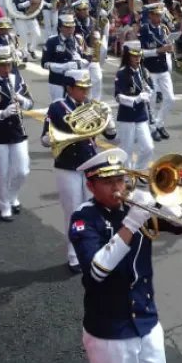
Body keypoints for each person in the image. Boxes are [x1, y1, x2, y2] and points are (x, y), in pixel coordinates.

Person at [69, 148, 182, 363]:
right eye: (108, 182)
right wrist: (131, 224)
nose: (118, 187)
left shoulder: (134, 205)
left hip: (145, 316)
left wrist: (165, 203)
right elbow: (97, 271)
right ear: (90, 185)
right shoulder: (84, 218)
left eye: (120, 179)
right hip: (110, 326)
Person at [41, 70, 117, 273]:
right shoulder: (57, 108)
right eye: (81, 89)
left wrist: (109, 121)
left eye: (87, 88)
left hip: (91, 164)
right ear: (69, 88)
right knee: (74, 211)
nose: (86, 92)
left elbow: (111, 136)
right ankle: (74, 255)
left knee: (94, 210)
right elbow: (45, 140)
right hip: (67, 166)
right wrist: (68, 134)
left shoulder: (92, 107)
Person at [0, 46, 35, 222]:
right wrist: (2, 114)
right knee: (2, 173)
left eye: (9, 64)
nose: (7, 68)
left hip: (17, 131)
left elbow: (30, 104)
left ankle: (12, 196)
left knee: (22, 170)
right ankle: (4, 205)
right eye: (3, 65)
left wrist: (21, 99)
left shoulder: (17, 79)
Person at [114, 41, 155, 171]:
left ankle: (137, 170)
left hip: (141, 115)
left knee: (148, 147)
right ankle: (126, 176)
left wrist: (149, 92)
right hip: (126, 116)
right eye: (134, 56)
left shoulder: (144, 71)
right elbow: (118, 97)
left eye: (139, 56)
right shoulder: (121, 73)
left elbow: (152, 89)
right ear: (128, 57)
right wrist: (136, 99)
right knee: (127, 150)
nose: (138, 59)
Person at [140, 2, 176, 141]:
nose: (159, 17)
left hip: (163, 68)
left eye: (160, 15)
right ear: (150, 15)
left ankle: (159, 123)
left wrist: (169, 48)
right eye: (156, 15)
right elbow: (141, 52)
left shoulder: (163, 29)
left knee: (170, 98)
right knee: (153, 99)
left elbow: (166, 45)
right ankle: (152, 127)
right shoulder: (144, 30)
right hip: (151, 70)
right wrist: (158, 51)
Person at [43, 13, 89, 102]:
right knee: (59, 107)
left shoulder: (79, 39)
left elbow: (88, 56)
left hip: (76, 82)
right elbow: (44, 63)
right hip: (58, 81)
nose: (70, 30)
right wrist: (64, 67)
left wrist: (82, 62)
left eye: (72, 27)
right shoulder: (52, 41)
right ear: (60, 27)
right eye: (67, 27)